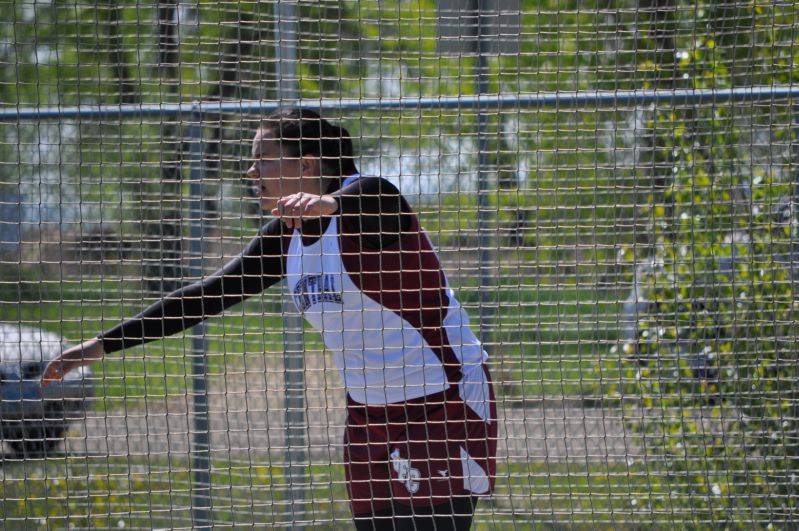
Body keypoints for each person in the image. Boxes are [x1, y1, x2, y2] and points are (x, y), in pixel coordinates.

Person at [42, 108, 497, 531]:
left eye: (263, 159)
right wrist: (99, 346)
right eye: (250, 160)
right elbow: (204, 297)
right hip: (367, 416)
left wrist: (331, 204)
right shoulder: (287, 236)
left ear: (306, 167)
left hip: (443, 402)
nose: (251, 171)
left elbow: (377, 192)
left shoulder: (370, 210)